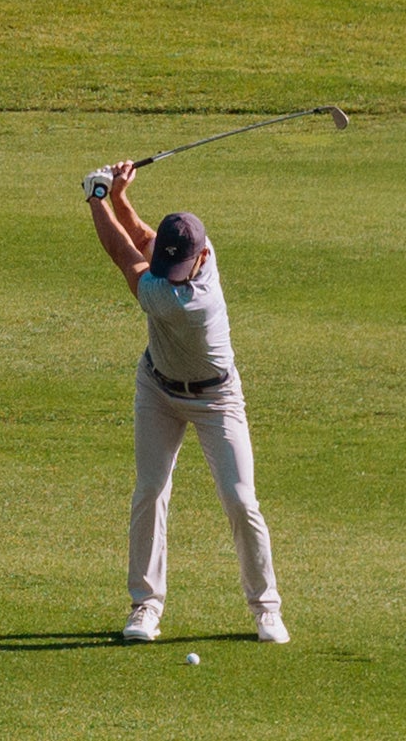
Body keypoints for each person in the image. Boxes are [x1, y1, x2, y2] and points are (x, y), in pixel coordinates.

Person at [85, 158, 284, 646]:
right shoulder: (183, 258)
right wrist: (122, 197)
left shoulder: (188, 301)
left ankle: (266, 608)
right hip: (158, 390)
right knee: (150, 491)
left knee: (241, 500)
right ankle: (145, 605)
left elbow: (123, 253)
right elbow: (146, 240)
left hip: (216, 398)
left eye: (179, 269)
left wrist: (95, 198)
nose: (170, 275)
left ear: (203, 257)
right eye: (166, 267)